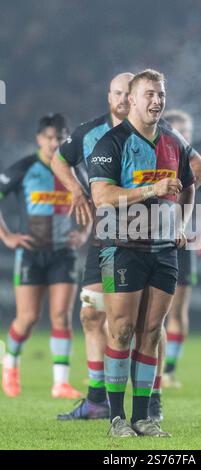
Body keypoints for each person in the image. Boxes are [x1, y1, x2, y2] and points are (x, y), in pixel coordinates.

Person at [88, 69, 201, 437]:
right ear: (132, 100)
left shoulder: (174, 141)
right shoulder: (111, 143)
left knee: (152, 332)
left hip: (163, 249)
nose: (157, 101)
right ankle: (116, 418)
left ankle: (143, 417)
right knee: (121, 329)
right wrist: (151, 191)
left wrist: (185, 224)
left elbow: (193, 178)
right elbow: (102, 198)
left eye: (161, 95)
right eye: (150, 95)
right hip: (120, 247)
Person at [52, 73, 133, 420]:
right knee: (90, 314)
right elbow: (59, 159)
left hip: (140, 237)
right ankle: (97, 400)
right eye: (118, 93)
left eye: (129, 93)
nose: (123, 99)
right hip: (103, 237)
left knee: (135, 324)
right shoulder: (89, 132)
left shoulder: (152, 135)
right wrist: (76, 189)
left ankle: (148, 403)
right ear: (108, 96)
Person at [0, 113, 90, 398]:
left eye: (60, 138)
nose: (54, 143)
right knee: (27, 318)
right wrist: (6, 236)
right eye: (49, 138)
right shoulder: (24, 168)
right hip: (30, 253)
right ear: (39, 139)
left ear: (66, 139)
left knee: (61, 316)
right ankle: (10, 363)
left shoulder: (75, 171)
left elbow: (93, 202)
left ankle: (60, 383)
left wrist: (84, 233)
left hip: (63, 253)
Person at [162, 109, 201, 388]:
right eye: (180, 130)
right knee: (144, 311)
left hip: (183, 242)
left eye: (188, 131)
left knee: (176, 311)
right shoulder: (158, 158)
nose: (185, 135)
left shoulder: (197, 165)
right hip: (148, 239)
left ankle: (169, 371)